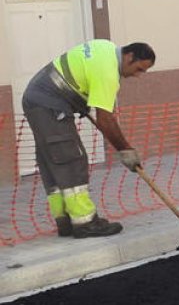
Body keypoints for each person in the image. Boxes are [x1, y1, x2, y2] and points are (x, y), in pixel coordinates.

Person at [22, 40, 156, 238]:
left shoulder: (105, 48)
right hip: (48, 103)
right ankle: (84, 222)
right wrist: (126, 150)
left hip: (38, 99)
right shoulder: (108, 72)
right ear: (129, 57)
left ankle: (65, 221)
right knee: (72, 160)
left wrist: (79, 101)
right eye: (139, 69)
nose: (137, 75)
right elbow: (106, 119)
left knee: (54, 162)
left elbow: (78, 77)